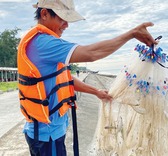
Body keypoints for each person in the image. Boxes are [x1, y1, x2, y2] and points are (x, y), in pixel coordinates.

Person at [17, 0, 157, 155]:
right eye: (62, 19)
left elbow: (65, 78)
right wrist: (132, 34)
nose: (66, 25)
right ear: (44, 14)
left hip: (50, 131)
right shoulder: (43, 43)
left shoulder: (41, 41)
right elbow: (91, 54)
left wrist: (96, 92)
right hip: (46, 135)